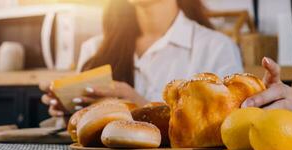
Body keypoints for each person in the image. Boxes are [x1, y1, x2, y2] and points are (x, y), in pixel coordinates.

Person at [41, 0, 242, 117]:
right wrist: (70, 113)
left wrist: (141, 108)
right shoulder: (94, 49)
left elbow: (222, 132)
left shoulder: (217, 48)